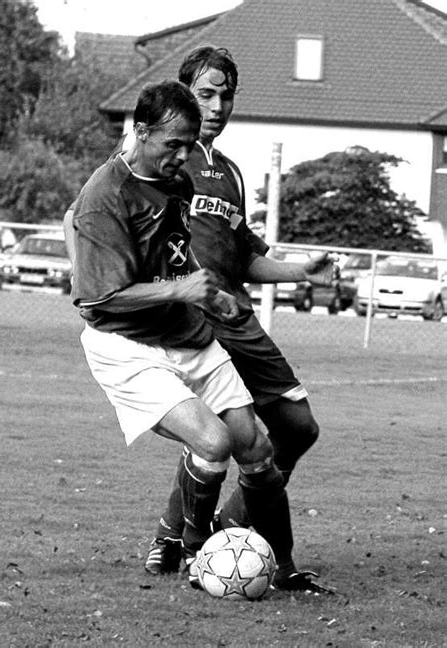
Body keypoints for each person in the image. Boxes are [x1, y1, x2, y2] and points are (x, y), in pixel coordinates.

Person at [68, 79, 295, 586]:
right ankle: (198, 555)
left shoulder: (179, 183)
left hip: (186, 334)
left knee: (256, 448)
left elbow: (178, 258)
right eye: (173, 144)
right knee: (213, 442)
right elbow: (98, 300)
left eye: (189, 144)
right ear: (141, 132)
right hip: (126, 345)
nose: (183, 154)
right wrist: (182, 291)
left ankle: (285, 570)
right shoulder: (104, 197)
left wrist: (213, 296)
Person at [143, 48, 337, 593]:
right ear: (183, 95)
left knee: (298, 428)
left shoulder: (228, 172)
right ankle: (181, 539)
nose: (218, 104)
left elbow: (244, 255)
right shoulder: (161, 162)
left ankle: (229, 522)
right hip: (195, 322)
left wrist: (302, 272)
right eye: (206, 93)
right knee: (227, 436)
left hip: (240, 320)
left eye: (226, 93)